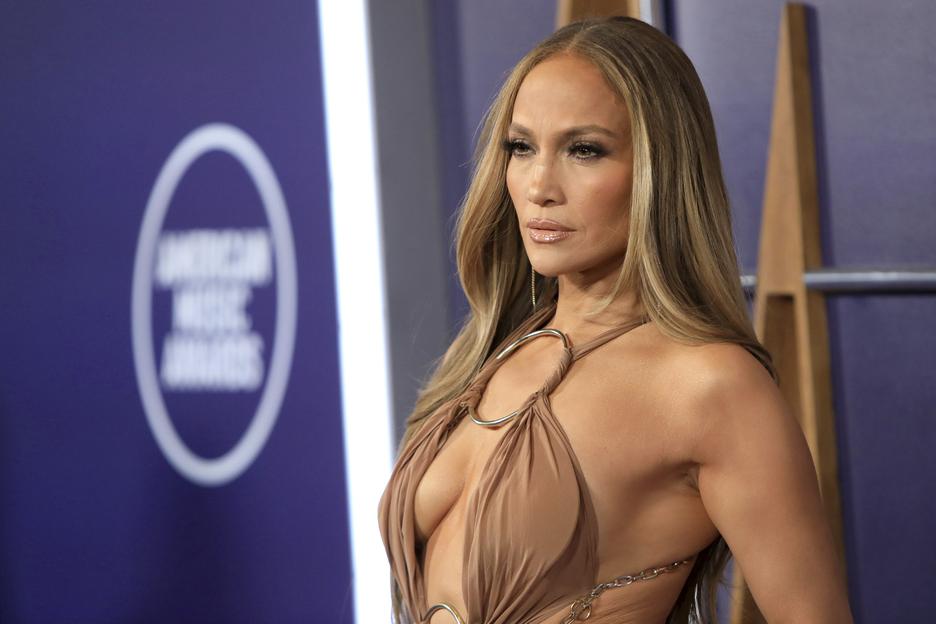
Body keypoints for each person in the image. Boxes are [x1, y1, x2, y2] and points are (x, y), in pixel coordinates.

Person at [379, 16, 852, 624]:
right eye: (521, 147)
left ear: (661, 170)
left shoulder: (710, 386)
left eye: (585, 150)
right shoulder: (490, 351)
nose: (539, 185)